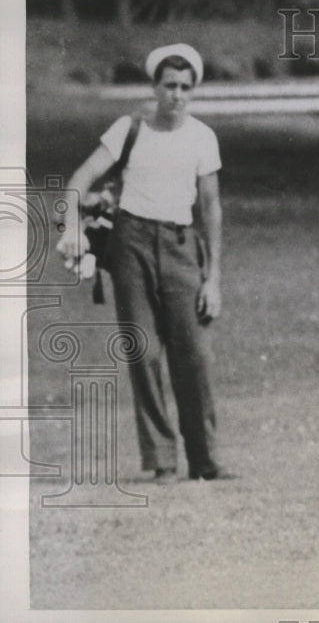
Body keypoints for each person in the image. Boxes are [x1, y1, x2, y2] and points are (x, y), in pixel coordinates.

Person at [57, 43, 232, 484]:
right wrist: (73, 228)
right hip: (131, 244)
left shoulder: (202, 138)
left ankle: (205, 459)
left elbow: (211, 208)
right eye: (169, 85)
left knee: (194, 355)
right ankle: (162, 460)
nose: (177, 95)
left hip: (180, 245)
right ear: (155, 87)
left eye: (185, 87)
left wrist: (213, 278)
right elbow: (79, 181)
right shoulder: (129, 128)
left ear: (193, 91)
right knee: (143, 352)